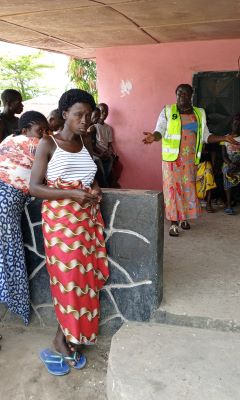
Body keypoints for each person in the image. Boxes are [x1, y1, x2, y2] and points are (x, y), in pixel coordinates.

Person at [30, 89, 109, 376]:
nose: (86, 120)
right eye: (79, 115)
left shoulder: (86, 141)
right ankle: (63, 339)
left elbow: (91, 178)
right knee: (69, 281)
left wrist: (94, 189)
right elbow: (35, 187)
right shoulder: (48, 144)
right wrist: (72, 194)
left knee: (84, 281)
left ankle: (65, 337)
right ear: (64, 114)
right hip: (61, 226)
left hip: (86, 222)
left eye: (88, 115)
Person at [143, 83, 240, 237]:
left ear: (191, 96)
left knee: (188, 188)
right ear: (176, 95)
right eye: (179, 93)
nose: (182, 96)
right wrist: (153, 137)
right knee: (173, 190)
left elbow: (206, 136)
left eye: (186, 94)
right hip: (171, 160)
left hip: (189, 160)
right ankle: (174, 223)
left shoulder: (199, 113)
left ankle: (184, 218)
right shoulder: (168, 111)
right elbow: (159, 130)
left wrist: (224, 138)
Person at [0, 111, 48, 349]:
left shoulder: (7, 141)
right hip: (5, 210)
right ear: (27, 128)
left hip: (6, 207)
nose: (44, 135)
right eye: (41, 130)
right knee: (10, 260)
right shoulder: (31, 144)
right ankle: (13, 301)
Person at [94, 103, 115, 187]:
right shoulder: (94, 126)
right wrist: (101, 153)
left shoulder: (108, 128)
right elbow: (93, 144)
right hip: (97, 152)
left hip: (106, 151)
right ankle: (104, 184)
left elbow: (110, 144)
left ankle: (105, 181)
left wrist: (110, 151)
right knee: (98, 160)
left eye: (106, 112)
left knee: (110, 159)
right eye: (101, 111)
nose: (104, 114)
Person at [196, 143, 217, 213]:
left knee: (208, 177)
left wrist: (213, 168)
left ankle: (208, 203)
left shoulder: (210, 143)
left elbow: (213, 156)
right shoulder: (194, 140)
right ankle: (195, 203)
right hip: (196, 166)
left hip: (207, 165)